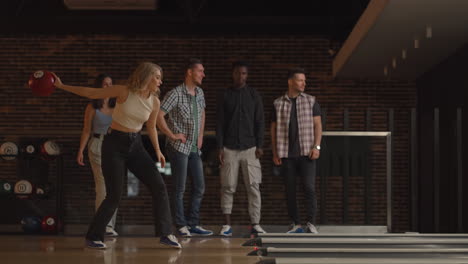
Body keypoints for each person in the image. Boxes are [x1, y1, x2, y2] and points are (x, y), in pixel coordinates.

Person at [53, 62, 181, 249]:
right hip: (114, 145)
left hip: (136, 146)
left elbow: (151, 127)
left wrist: (158, 151)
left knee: (159, 186)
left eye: (161, 78)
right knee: (114, 195)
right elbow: (91, 93)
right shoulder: (124, 91)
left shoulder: (154, 101)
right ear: (146, 76)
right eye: (157, 77)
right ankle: (94, 236)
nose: (160, 81)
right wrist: (62, 86)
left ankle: (166, 233)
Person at [157, 58, 213, 237]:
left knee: (199, 186)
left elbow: (202, 113)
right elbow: (158, 115)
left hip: (194, 148)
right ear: (190, 72)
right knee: (179, 188)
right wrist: (172, 135)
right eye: (200, 71)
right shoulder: (175, 93)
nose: (203, 74)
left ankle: (193, 223)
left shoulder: (200, 93)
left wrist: (201, 136)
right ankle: (181, 225)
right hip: (178, 147)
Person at [216, 61, 266, 236]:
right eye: (238, 73)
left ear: (247, 75)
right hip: (229, 148)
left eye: (244, 73)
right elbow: (220, 123)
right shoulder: (225, 95)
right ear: (233, 74)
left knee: (253, 187)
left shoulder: (254, 95)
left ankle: (256, 224)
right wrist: (220, 147)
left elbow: (260, 121)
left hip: (250, 148)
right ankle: (226, 225)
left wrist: (260, 145)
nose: (241, 76)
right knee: (228, 186)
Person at [270, 68, 322, 234]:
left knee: (309, 188)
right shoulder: (278, 103)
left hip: (307, 152)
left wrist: (317, 146)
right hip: (286, 154)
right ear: (290, 81)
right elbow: (273, 129)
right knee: (290, 190)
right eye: (300, 80)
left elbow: (318, 125)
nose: (304, 83)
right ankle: (295, 224)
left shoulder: (311, 101)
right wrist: (274, 152)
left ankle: (311, 223)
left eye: (304, 81)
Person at [77, 74, 118, 237]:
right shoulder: (92, 107)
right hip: (97, 145)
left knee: (114, 187)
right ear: (99, 87)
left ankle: (110, 225)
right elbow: (87, 130)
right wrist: (80, 150)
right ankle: (104, 225)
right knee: (102, 187)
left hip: (114, 146)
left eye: (110, 84)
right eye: (105, 84)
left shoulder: (118, 105)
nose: (108, 87)